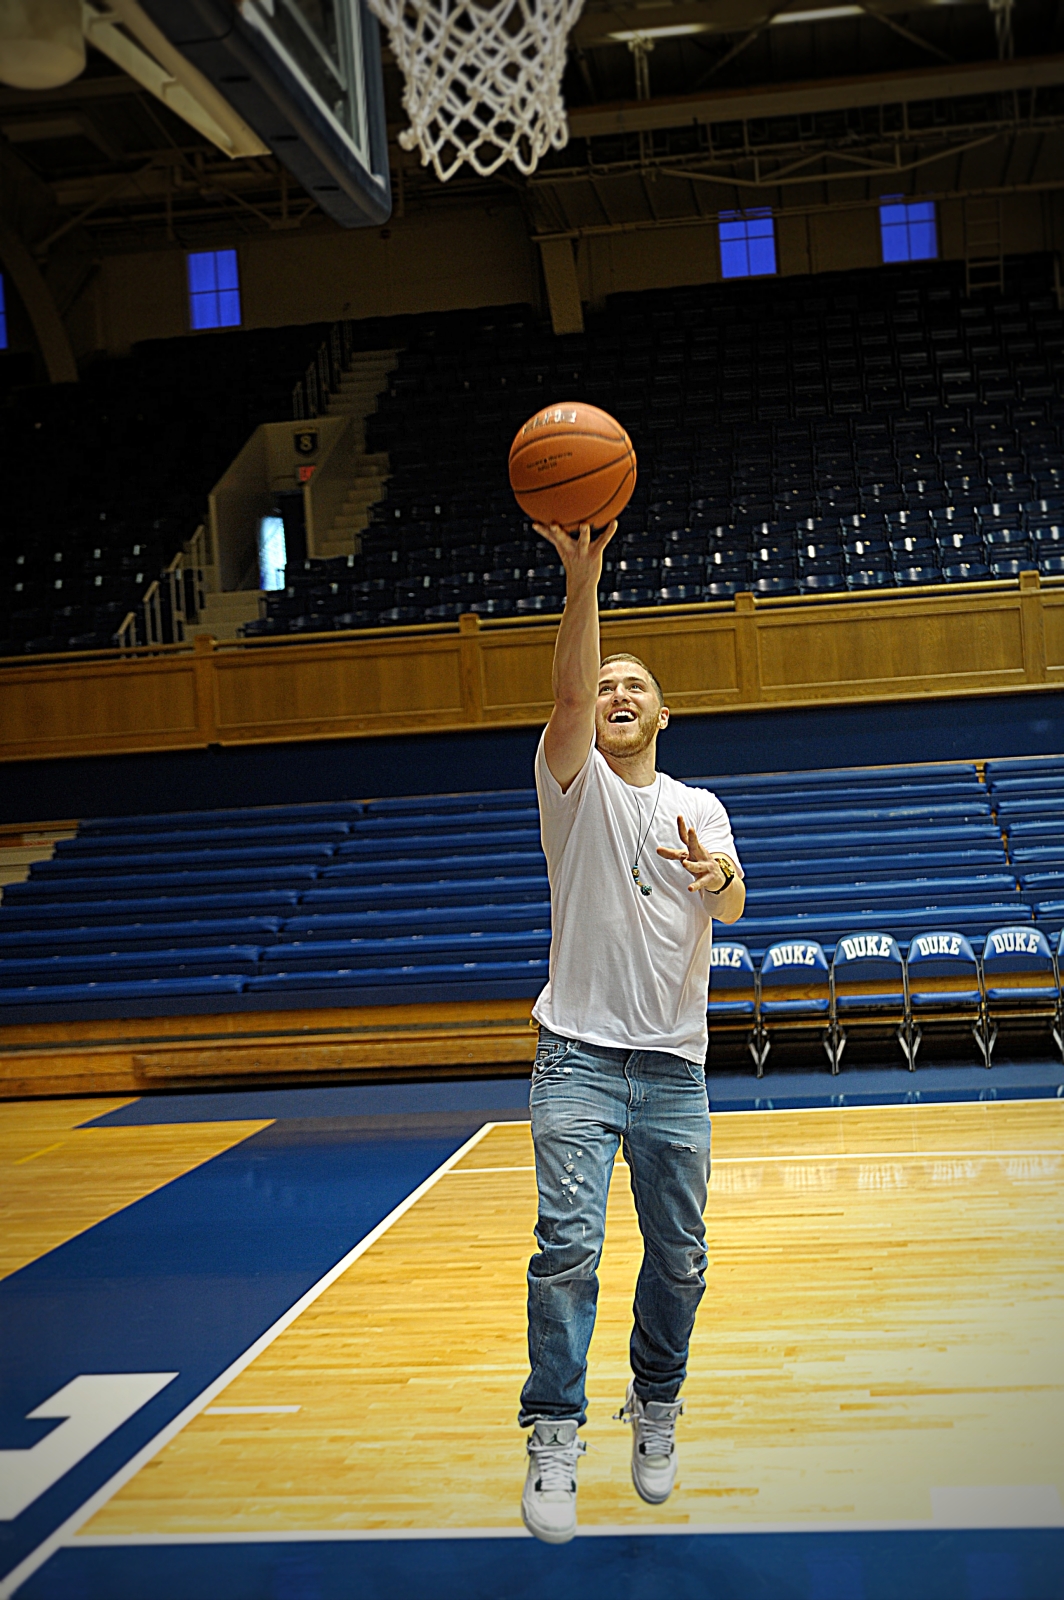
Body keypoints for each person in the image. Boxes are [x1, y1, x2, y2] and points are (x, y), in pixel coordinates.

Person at [519, 516, 746, 1546]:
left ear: (663, 711)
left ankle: (653, 1401)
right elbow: (566, 691)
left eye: (633, 685)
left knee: (681, 1258)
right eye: (605, 683)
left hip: (672, 1067)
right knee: (568, 1248)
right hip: (575, 1052)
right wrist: (585, 578)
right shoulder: (572, 789)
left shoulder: (699, 800)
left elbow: (733, 902)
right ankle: (553, 1434)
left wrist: (718, 876)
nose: (614, 694)